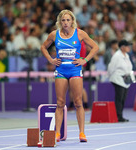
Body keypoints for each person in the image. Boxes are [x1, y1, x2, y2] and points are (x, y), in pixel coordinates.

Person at [41, 9, 99, 142]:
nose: (66, 23)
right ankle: (57, 134)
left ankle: (82, 133)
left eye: (68, 20)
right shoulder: (54, 35)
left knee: (78, 102)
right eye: (63, 20)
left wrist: (84, 60)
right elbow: (43, 47)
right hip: (61, 70)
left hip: (75, 70)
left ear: (72, 21)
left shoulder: (80, 33)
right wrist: (51, 60)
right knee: (60, 103)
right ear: (60, 22)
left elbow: (95, 47)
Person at [107, 40, 134, 122]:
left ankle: (120, 115)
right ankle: (118, 116)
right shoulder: (117, 56)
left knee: (123, 98)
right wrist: (111, 77)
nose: (129, 47)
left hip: (125, 80)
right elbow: (110, 68)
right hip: (118, 79)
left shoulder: (127, 55)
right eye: (127, 46)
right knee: (119, 98)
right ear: (122, 47)